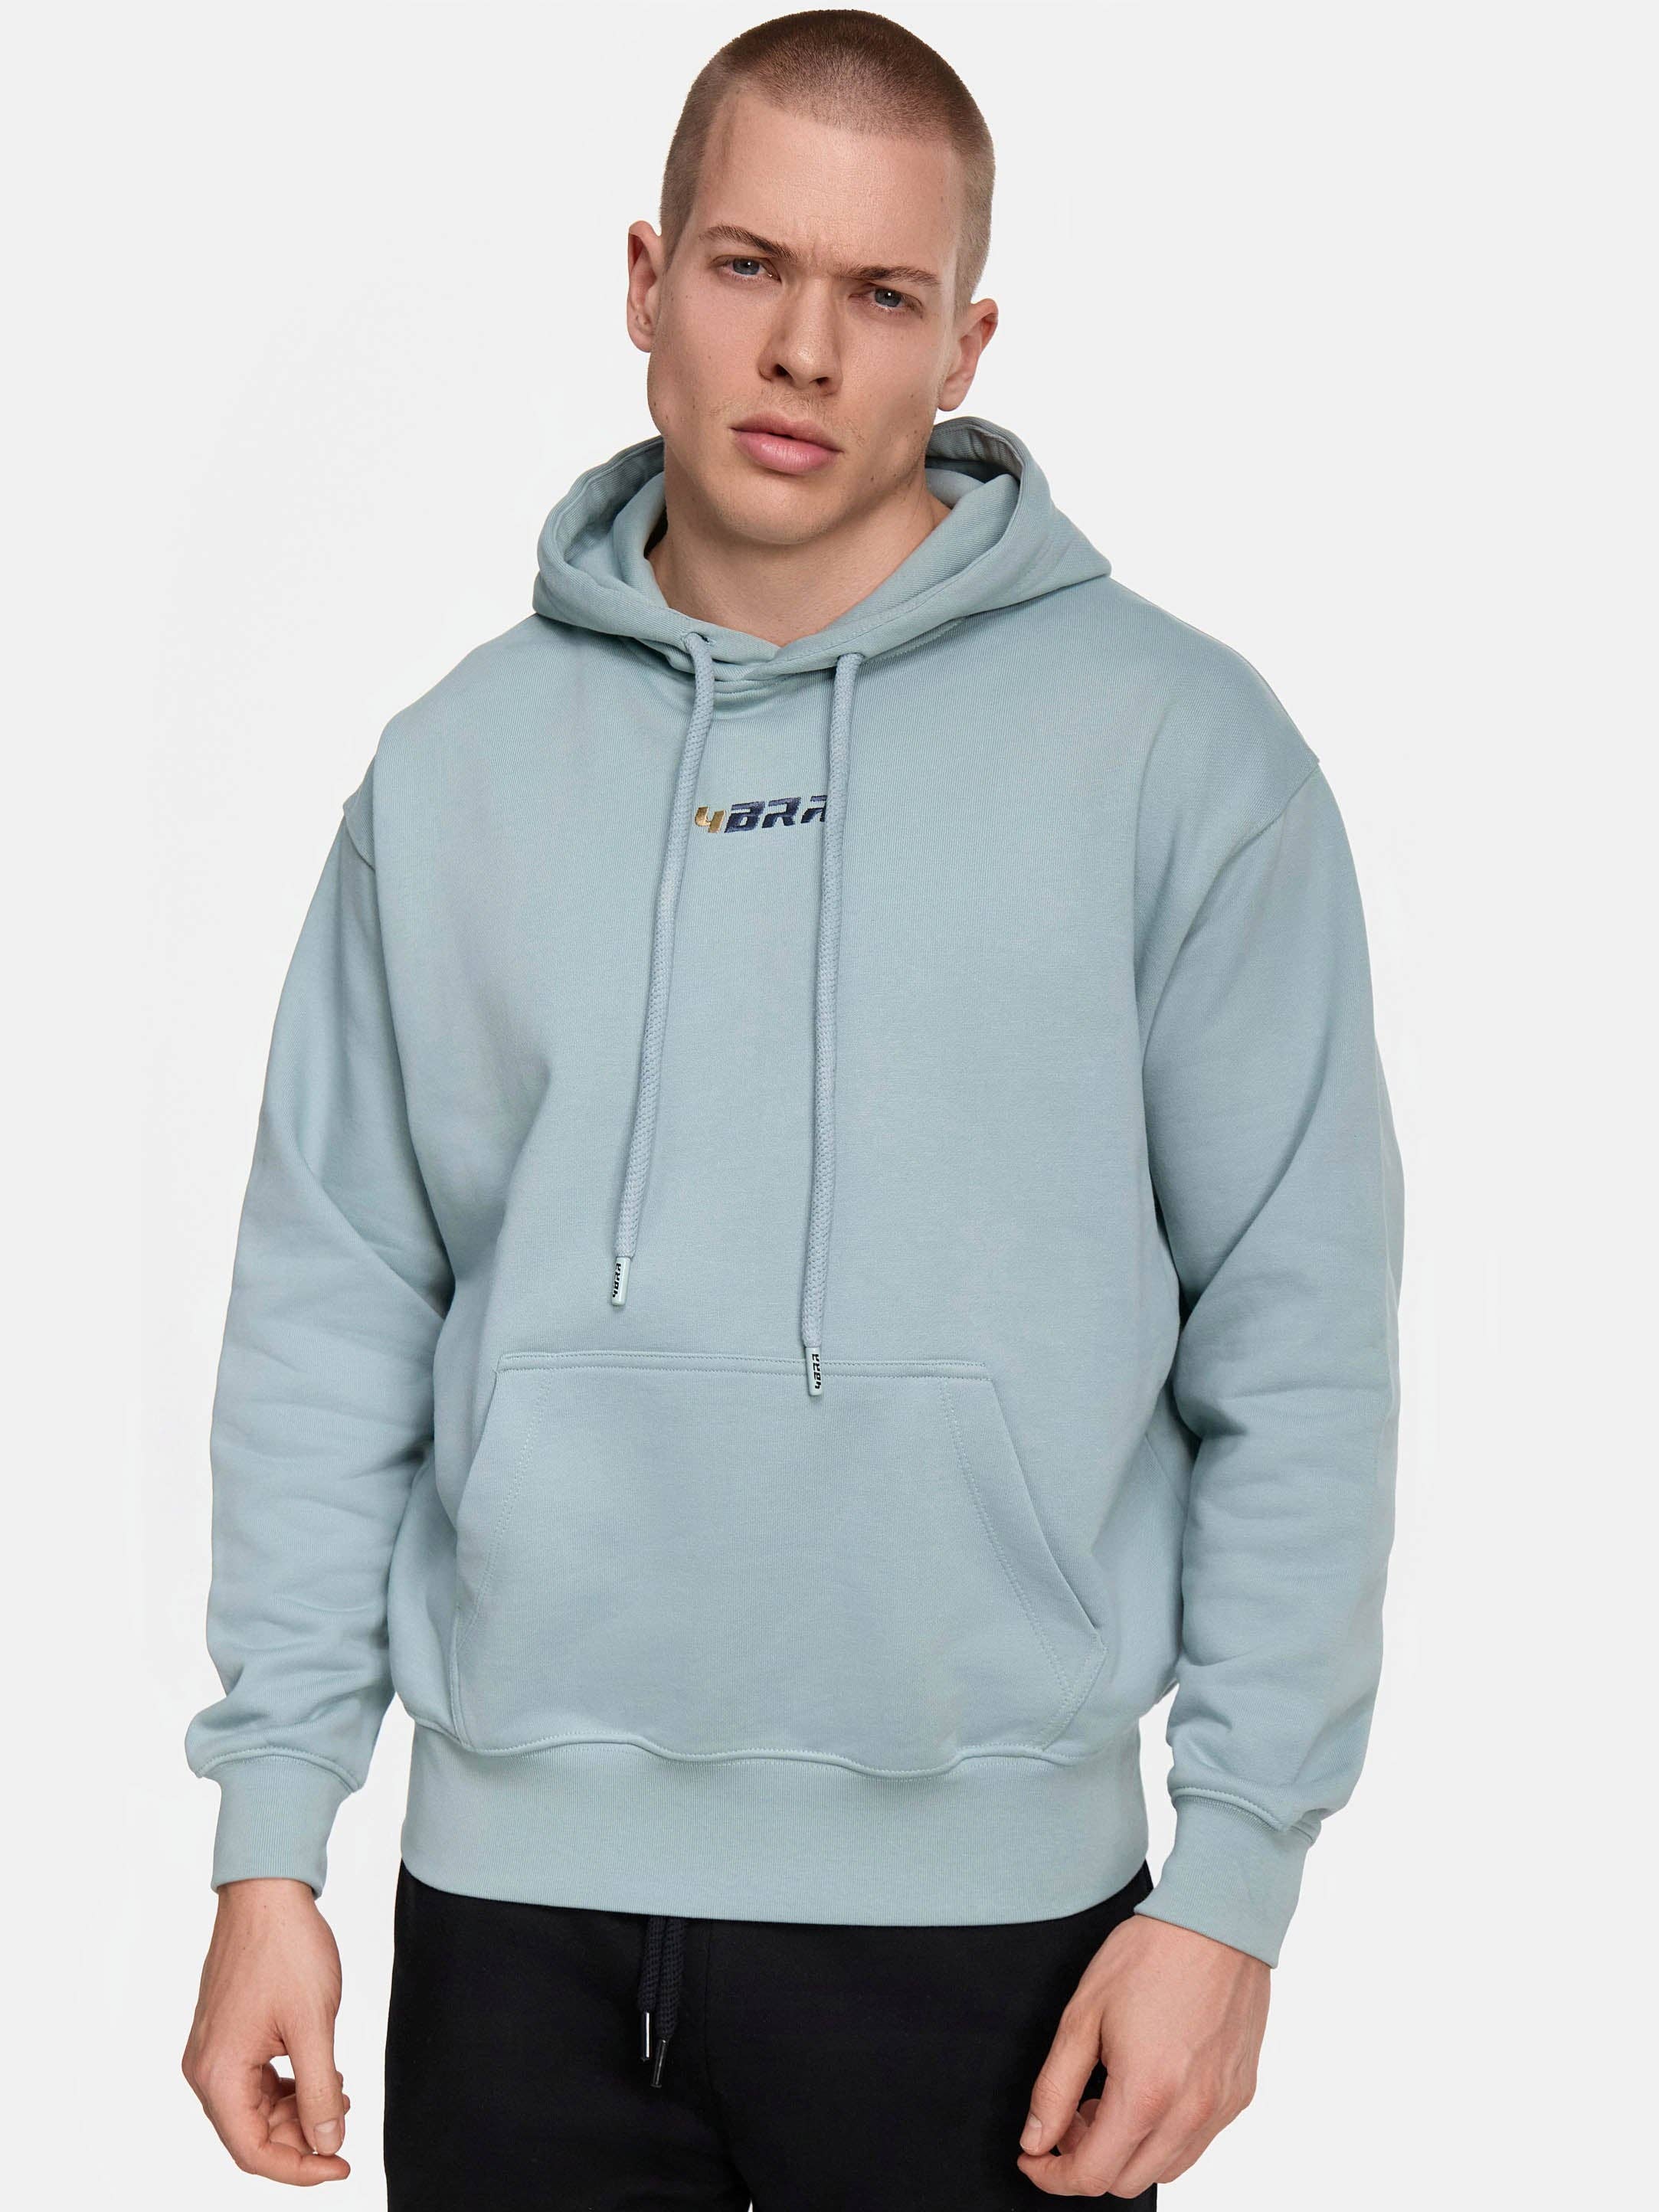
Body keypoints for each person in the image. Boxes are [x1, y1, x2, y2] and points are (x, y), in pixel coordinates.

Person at [179, 10, 1403, 2205]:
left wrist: (1234, 1879)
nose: (806, 351)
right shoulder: (453, 771)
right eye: (751, 266)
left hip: (1000, 1932)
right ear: (648, 282)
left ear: (967, 340)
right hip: (513, 1920)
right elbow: (330, 1304)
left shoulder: (1178, 757)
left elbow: (1297, 1337)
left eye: (884, 293)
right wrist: (273, 1838)